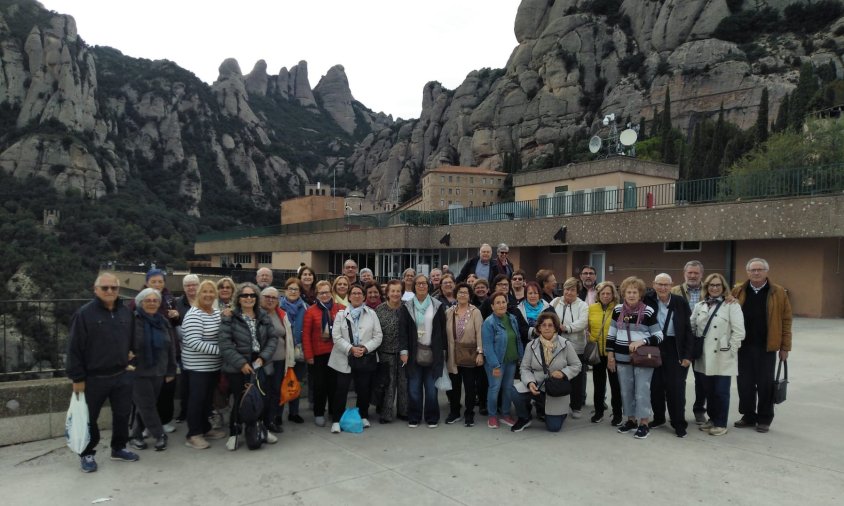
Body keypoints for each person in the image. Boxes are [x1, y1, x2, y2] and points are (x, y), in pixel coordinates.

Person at [67, 273, 139, 472]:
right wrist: (77, 378)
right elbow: (74, 348)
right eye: (105, 288)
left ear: (118, 290)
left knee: (122, 415)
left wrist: (133, 360)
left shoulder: (126, 313)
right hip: (93, 378)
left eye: (113, 288)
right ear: (95, 289)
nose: (109, 291)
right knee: (89, 418)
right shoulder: (84, 314)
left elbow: (133, 341)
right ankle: (87, 453)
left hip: (122, 375)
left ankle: (119, 448)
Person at [731, 258, 792, 433]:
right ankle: (748, 416)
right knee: (744, 383)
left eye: (760, 269)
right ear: (747, 272)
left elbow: (786, 320)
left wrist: (785, 347)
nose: (756, 273)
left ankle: (765, 418)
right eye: (752, 270)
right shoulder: (738, 291)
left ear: (766, 271)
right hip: (743, 347)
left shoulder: (778, 292)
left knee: (765, 384)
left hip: (767, 347)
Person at [218, 282, 279, 450]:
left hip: (260, 363)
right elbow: (225, 344)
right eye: (245, 295)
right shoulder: (229, 316)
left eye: (252, 295)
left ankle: (262, 430)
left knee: (262, 399)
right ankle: (234, 433)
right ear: (239, 298)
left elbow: (273, 339)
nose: (249, 298)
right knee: (240, 400)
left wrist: (263, 358)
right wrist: (241, 363)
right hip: (238, 366)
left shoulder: (263, 316)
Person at [607, 276, 664, 440]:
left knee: (642, 390)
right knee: (626, 390)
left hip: (642, 358)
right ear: (623, 293)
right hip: (621, 357)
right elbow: (611, 335)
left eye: (635, 292)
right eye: (628, 292)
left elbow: (659, 336)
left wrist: (642, 341)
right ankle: (631, 420)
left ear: (640, 294)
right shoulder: (617, 310)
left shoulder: (648, 311)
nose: (631, 295)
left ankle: (644, 423)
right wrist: (610, 355)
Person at [691, 273, 746, 436]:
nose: (714, 288)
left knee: (721, 391)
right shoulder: (699, 305)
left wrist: (731, 350)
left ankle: (721, 423)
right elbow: (692, 325)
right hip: (704, 355)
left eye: (718, 285)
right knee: (708, 391)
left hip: (722, 354)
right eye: (711, 285)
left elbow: (739, 332)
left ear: (723, 288)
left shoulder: (732, 305)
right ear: (706, 288)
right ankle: (713, 419)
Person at [645, 273, 695, 438]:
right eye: (659, 284)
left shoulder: (680, 302)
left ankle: (678, 423)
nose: (663, 288)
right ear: (654, 284)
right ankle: (659, 418)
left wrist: (687, 355)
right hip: (654, 346)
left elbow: (689, 330)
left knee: (676, 388)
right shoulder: (647, 300)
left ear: (672, 285)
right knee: (655, 387)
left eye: (666, 284)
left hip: (674, 347)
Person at [328, 285, 383, 432]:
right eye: (354, 293)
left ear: (364, 297)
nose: (357, 296)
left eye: (360, 293)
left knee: (363, 388)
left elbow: (378, 336)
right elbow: (336, 337)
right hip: (344, 357)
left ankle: (363, 415)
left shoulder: (372, 314)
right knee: (341, 389)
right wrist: (351, 349)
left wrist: (364, 349)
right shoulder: (340, 315)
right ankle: (336, 420)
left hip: (365, 356)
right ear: (349, 296)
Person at [129, 288, 177, 452]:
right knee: (147, 405)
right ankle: (160, 435)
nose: (151, 303)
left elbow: (170, 348)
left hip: (159, 370)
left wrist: (171, 370)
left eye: (155, 300)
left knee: (145, 405)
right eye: (147, 300)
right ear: (140, 303)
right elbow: (123, 344)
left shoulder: (163, 321)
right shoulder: (132, 321)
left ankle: (135, 435)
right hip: (138, 371)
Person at [181, 280, 227, 449]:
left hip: (212, 366)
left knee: (208, 401)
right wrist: (222, 351)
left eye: (211, 292)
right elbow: (193, 342)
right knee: (196, 400)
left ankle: (205, 428)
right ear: (199, 294)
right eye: (204, 292)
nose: (208, 295)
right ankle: (193, 435)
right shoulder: (194, 314)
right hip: (197, 367)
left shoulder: (215, 312)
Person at [519, 312, 583, 432]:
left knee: (554, 428)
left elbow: (577, 365)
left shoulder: (565, 344)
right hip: (538, 385)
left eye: (550, 325)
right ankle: (526, 416)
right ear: (539, 328)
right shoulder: (531, 345)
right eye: (543, 325)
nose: (547, 328)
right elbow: (524, 368)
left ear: (555, 328)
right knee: (515, 392)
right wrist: (529, 382)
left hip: (556, 388)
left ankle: (557, 412)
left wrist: (563, 373)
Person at [399, 274, 447, 428]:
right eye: (418, 283)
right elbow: (403, 331)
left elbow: (442, 330)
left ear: (428, 286)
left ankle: (432, 417)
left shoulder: (437, 305)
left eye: (424, 283)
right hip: (413, 353)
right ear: (414, 287)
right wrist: (404, 352)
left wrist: (443, 351)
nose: (421, 286)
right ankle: (414, 417)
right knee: (414, 387)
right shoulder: (407, 306)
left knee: (431, 389)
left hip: (433, 352)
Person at [481, 291, 525, 429]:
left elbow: (517, 339)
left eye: (503, 302)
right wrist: (495, 365)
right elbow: (487, 347)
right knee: (494, 389)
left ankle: (506, 414)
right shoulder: (489, 323)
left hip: (511, 361)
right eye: (498, 303)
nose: (501, 305)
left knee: (507, 388)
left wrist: (521, 357)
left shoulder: (512, 318)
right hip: (496, 363)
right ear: (492, 306)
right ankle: (492, 416)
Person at [302, 280, 343, 427]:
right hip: (318, 355)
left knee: (334, 385)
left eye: (326, 292)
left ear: (331, 293)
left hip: (336, 353)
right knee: (319, 386)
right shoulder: (310, 311)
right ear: (317, 294)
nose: (324, 295)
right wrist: (309, 356)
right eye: (321, 293)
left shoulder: (340, 309)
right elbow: (306, 335)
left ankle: (333, 411)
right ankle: (319, 412)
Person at [671, 260, 707, 424]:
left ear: (701, 274)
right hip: (682, 342)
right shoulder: (674, 291)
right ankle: (679, 413)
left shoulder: (710, 291)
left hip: (702, 341)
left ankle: (699, 410)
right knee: (679, 380)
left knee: (702, 379)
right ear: (684, 274)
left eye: (696, 273)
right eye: (689, 273)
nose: (692, 276)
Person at [548, 277, 589, 419]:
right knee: (559, 375)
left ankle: (576, 406)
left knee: (576, 379)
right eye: (566, 289)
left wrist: (566, 328)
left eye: (572, 290)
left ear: (577, 292)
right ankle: (561, 405)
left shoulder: (583, 305)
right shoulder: (555, 301)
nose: (569, 292)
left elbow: (583, 322)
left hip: (576, 347)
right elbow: (547, 315)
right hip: (556, 346)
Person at [445, 283, 484, 427]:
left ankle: (469, 413)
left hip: (469, 353)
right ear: (455, 294)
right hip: (452, 354)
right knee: (454, 386)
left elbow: (480, 332)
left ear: (470, 295)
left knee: (469, 386)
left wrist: (480, 352)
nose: (462, 295)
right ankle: (454, 412)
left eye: (465, 293)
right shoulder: (449, 312)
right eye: (460, 292)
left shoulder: (475, 312)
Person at [261, 286, 295, 433]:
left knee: (276, 391)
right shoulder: (257, 314)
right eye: (267, 296)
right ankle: (261, 421)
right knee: (264, 391)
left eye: (274, 297)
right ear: (261, 298)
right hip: (262, 360)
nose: (270, 300)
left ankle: (272, 420)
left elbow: (288, 336)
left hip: (281, 360)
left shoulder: (281, 314)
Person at [588, 281, 623, 426]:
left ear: (613, 294)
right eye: (603, 293)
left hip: (613, 353)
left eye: (609, 293)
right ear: (598, 295)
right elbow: (587, 327)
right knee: (598, 384)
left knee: (616, 385)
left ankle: (617, 414)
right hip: (597, 353)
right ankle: (599, 411)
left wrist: (613, 353)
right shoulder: (591, 308)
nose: (606, 296)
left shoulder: (619, 309)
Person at [374, 280, 409, 423]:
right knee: (387, 384)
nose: (395, 294)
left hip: (403, 353)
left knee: (403, 383)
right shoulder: (379, 310)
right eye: (392, 291)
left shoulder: (407, 308)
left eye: (398, 291)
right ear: (387, 293)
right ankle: (386, 414)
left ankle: (404, 411)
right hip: (385, 352)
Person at [278, 278, 307, 426]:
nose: (293, 292)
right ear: (285, 290)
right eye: (290, 288)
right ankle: (278, 413)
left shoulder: (305, 307)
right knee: (280, 382)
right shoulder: (278, 307)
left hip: (300, 352)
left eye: (296, 289)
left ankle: (294, 413)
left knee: (296, 382)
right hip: (283, 351)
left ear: (300, 292)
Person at [173, 273, 199, 424]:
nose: (191, 287)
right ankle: (184, 411)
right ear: (183, 288)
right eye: (188, 285)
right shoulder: (177, 303)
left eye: (194, 284)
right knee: (185, 382)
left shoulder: (205, 300)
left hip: (203, 350)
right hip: (185, 350)